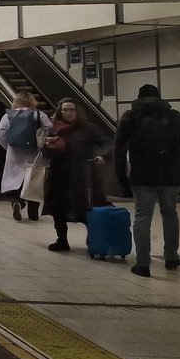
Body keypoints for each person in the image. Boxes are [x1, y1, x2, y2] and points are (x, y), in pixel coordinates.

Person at [113, 84, 180, 277]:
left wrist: (121, 177)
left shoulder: (130, 117)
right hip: (171, 175)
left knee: (143, 216)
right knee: (170, 214)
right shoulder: (175, 116)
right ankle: (171, 257)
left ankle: (143, 264)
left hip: (142, 176)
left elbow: (119, 150)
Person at [41, 97, 110, 252]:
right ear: (60, 111)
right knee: (58, 208)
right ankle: (62, 240)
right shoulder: (53, 129)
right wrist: (49, 146)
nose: (68, 113)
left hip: (83, 175)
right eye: (65, 110)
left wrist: (103, 156)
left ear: (77, 111)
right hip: (59, 175)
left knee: (87, 207)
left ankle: (94, 239)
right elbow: (45, 153)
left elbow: (105, 142)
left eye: (71, 110)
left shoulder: (88, 129)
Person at [0, 91, 52, 221]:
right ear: (32, 102)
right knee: (34, 181)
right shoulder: (40, 115)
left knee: (15, 181)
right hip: (35, 154)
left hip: (14, 153)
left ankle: (17, 202)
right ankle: (33, 212)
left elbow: (0, 135)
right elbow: (50, 130)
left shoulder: (8, 116)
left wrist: (8, 147)